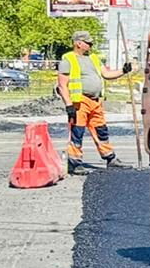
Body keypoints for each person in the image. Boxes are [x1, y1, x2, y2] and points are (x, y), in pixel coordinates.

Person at [55, 31, 130, 173]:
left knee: (101, 130)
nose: (91, 45)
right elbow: (62, 85)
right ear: (78, 43)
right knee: (78, 132)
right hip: (79, 103)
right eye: (88, 43)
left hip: (96, 102)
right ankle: (75, 163)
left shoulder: (94, 58)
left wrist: (123, 71)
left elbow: (106, 74)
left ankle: (110, 158)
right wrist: (68, 104)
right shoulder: (68, 60)